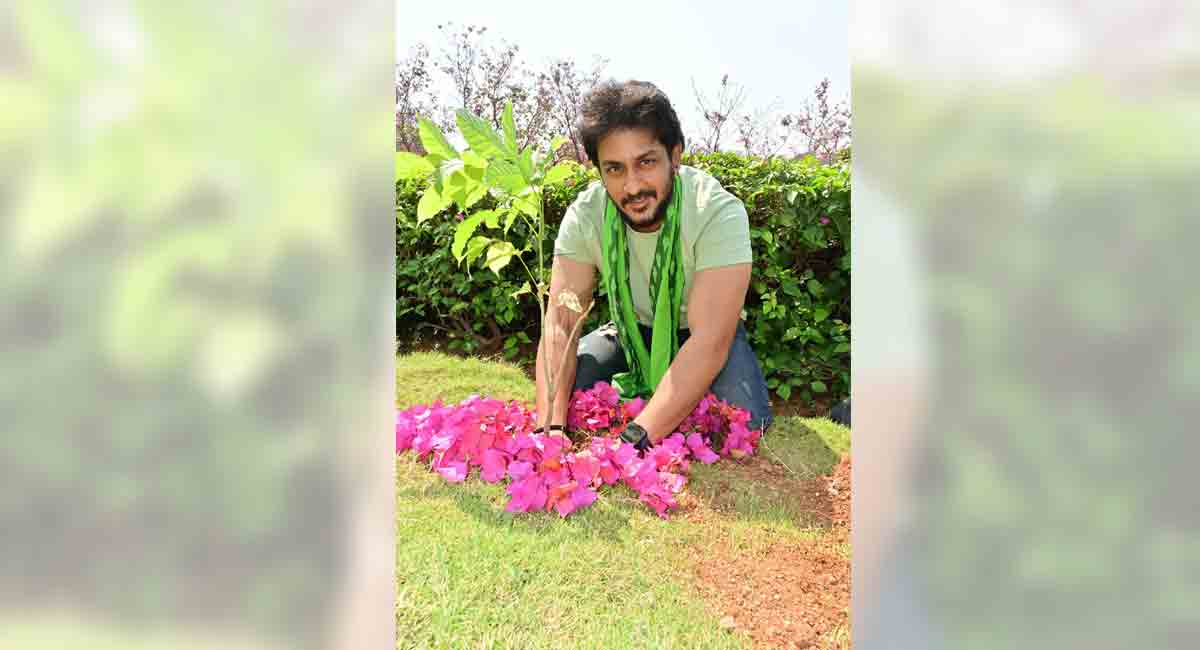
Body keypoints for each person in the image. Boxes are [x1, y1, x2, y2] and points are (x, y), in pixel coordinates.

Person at [534, 79, 773, 452]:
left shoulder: (716, 211)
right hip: (629, 332)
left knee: (744, 422)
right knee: (567, 391)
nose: (632, 187)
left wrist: (636, 437)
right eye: (614, 169)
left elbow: (710, 339)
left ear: (674, 156)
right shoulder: (585, 215)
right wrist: (549, 426)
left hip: (701, 335)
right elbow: (561, 323)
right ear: (598, 170)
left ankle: (666, 406)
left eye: (645, 162)